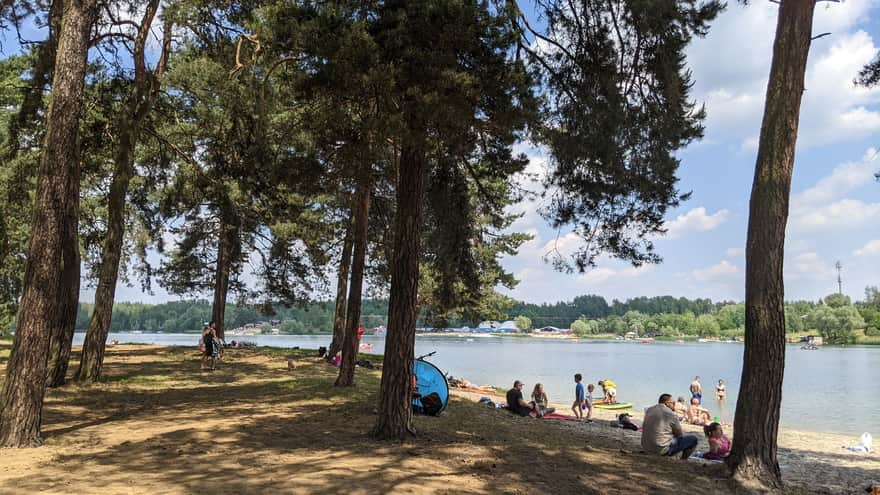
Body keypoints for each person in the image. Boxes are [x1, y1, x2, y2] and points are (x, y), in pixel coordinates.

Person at [641, 393, 699, 459]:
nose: (674, 405)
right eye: (673, 403)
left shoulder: (649, 410)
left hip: (646, 447)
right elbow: (679, 434)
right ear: (667, 403)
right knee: (693, 439)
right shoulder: (670, 414)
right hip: (661, 450)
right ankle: (683, 459)